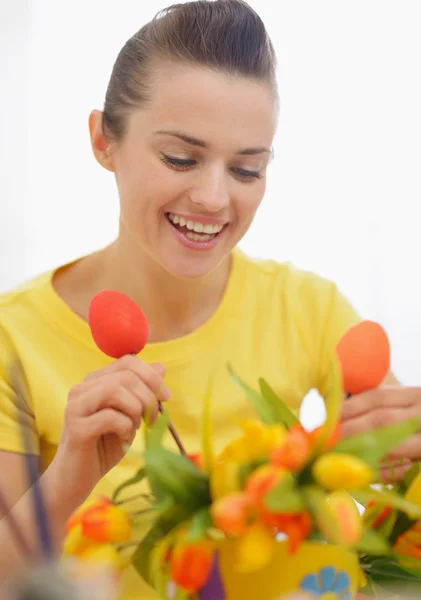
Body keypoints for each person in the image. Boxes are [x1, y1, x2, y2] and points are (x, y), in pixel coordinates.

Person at [0, 1, 419, 598]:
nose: (214, 198)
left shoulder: (309, 309)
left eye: (248, 169)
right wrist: (68, 474)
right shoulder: (12, 339)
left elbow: (400, 527)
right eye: (180, 158)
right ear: (103, 141)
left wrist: (406, 457)